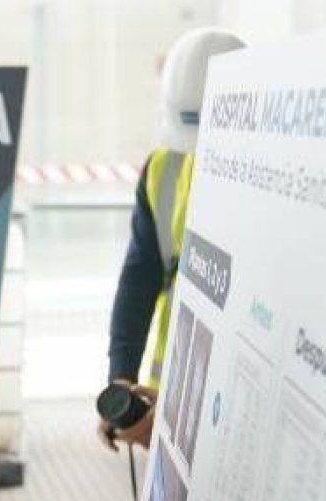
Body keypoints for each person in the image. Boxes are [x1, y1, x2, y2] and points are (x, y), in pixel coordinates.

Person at [99, 28, 245, 450]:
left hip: (227, 407)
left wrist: (182, 407)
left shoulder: (275, 187)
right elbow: (139, 278)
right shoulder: (163, 168)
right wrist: (121, 377)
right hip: (176, 390)